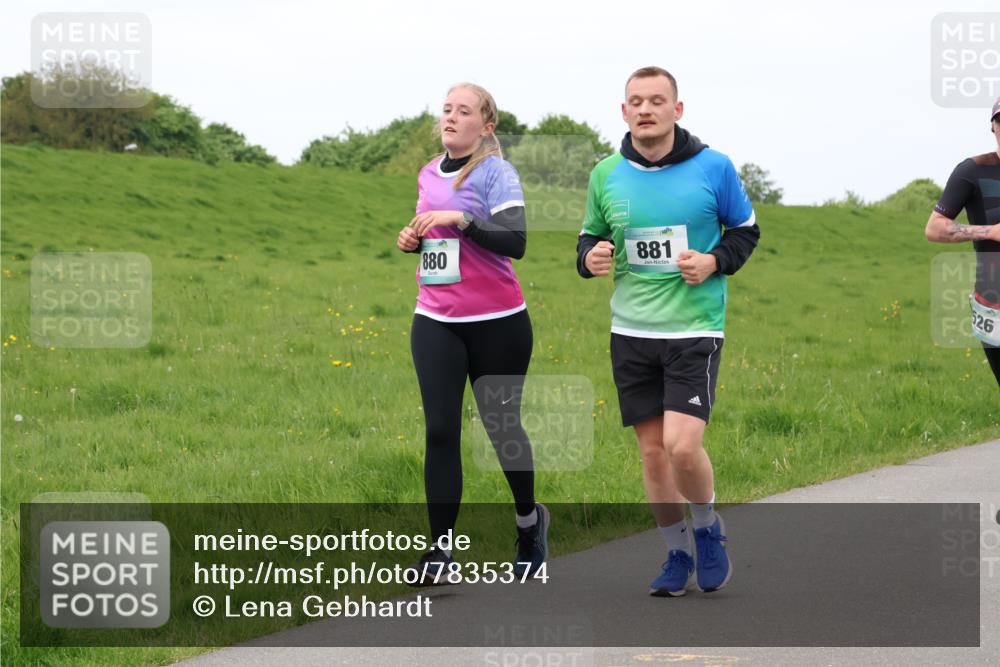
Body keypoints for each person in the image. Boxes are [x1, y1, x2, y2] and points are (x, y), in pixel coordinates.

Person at [576, 66, 759, 596]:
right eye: (636, 101)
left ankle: (707, 529)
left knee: (682, 446)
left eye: (657, 100)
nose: (646, 109)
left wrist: (714, 262)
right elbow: (588, 238)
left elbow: (745, 232)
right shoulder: (605, 173)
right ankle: (676, 553)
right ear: (623, 111)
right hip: (631, 332)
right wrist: (592, 258)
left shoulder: (714, 167)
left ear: (677, 110)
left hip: (694, 328)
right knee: (653, 453)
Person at [396, 82, 548, 585]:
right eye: (446, 109)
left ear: (486, 126)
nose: (451, 117)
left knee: (502, 430)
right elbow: (435, 245)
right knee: (440, 429)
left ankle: (529, 523)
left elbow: (516, 242)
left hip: (498, 323)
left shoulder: (495, 173)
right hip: (436, 320)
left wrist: (461, 218)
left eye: (464, 111)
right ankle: (440, 551)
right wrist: (413, 240)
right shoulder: (426, 172)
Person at [925, 97, 1000, 387]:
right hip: (993, 304)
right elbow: (934, 228)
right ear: (992, 126)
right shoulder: (972, 171)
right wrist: (989, 232)